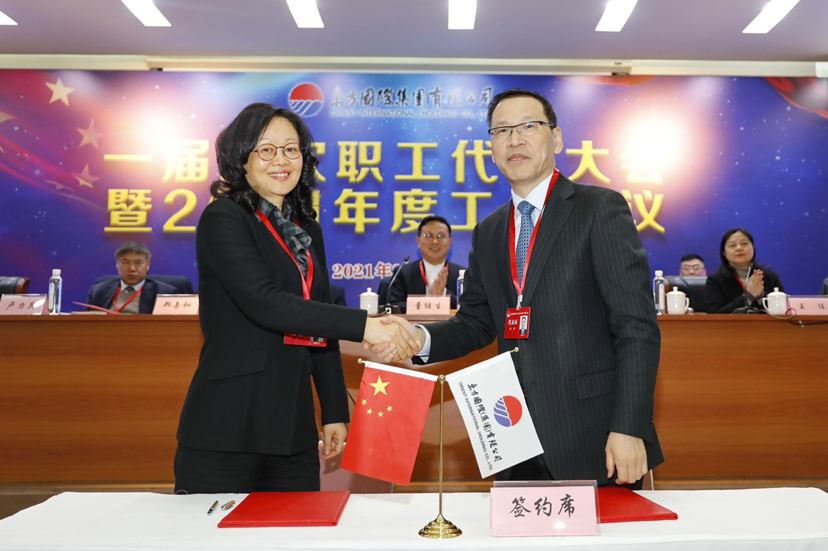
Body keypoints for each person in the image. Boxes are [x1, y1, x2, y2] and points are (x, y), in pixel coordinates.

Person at [371, 89, 663, 487]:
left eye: (528, 126)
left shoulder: (598, 209)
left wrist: (628, 427)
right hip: (513, 435)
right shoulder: (489, 231)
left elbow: (637, 327)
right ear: (491, 150)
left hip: (595, 436)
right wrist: (418, 338)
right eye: (502, 131)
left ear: (555, 139)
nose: (514, 139)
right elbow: (476, 323)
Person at [174, 103, 418, 494]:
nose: (281, 160)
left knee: (298, 526)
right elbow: (265, 303)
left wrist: (334, 410)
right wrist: (366, 327)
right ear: (241, 158)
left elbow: (318, 321)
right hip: (230, 423)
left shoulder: (307, 230)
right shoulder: (224, 218)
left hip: (293, 426)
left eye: (291, 149)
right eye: (266, 149)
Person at [387, 215, 466, 312]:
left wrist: (444, 294)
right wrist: (427, 302)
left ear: (449, 243)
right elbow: (393, 307)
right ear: (418, 241)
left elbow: (470, 307)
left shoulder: (463, 275)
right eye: (428, 236)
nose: (435, 241)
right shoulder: (403, 273)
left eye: (440, 236)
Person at [705, 228, 784, 313]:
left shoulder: (770, 277)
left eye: (744, 243)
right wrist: (748, 296)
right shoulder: (715, 280)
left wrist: (760, 296)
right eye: (732, 245)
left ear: (753, 248)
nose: (739, 248)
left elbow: (783, 311)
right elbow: (715, 314)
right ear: (724, 253)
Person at [86, 241, 176, 314]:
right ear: (117, 264)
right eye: (125, 262)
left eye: (138, 263)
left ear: (148, 265)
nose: (132, 268)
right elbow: (87, 323)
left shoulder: (164, 293)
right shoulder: (99, 291)